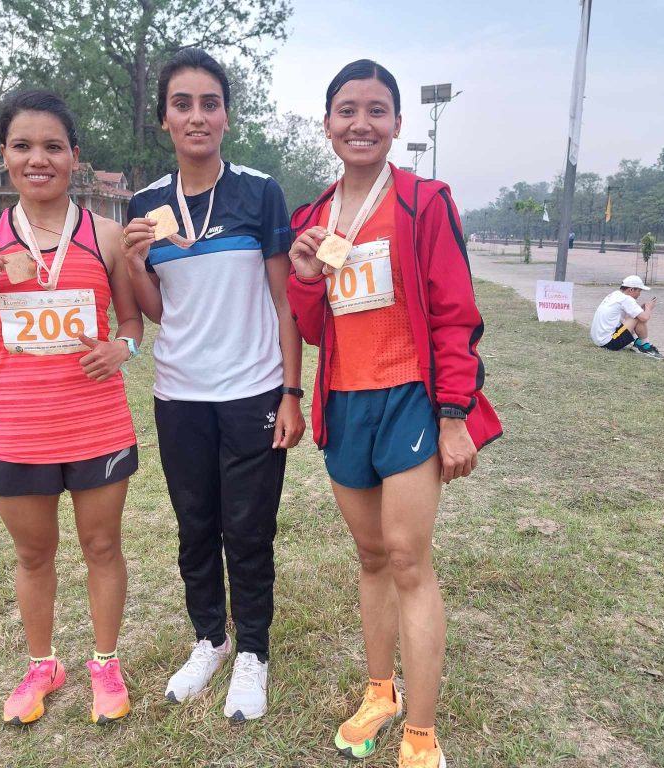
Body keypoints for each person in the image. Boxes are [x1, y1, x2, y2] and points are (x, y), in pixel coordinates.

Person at [286, 60, 502, 768]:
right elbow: (313, 327)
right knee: (371, 556)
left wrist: (453, 415)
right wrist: (305, 277)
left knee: (408, 558)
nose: (361, 123)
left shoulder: (423, 201)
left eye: (377, 110)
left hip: (410, 397)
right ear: (327, 124)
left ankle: (422, 732)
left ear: (398, 124)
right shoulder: (311, 219)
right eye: (347, 110)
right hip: (344, 403)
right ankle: (381, 693)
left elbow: (455, 314)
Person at [121, 48, 305, 722]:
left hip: (253, 390)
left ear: (226, 116)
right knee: (195, 525)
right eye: (182, 104)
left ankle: (252, 649)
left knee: (248, 529)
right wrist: (134, 262)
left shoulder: (259, 192)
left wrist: (292, 393)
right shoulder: (146, 205)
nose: (197, 116)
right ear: (164, 119)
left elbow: (285, 301)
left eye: (210, 103)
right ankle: (211, 639)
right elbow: (159, 310)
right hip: (180, 395)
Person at [0, 90, 143, 727]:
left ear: (74, 157)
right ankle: (42, 666)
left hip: (96, 421)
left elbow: (132, 323)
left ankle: (105, 663)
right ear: (4, 156)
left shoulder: (105, 234)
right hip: (17, 425)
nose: (39, 159)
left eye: (53, 146)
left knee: (102, 546)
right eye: (23, 146)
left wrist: (122, 348)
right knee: (33, 555)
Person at [589, 275, 663, 358]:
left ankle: (637, 343)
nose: (639, 294)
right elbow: (644, 318)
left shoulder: (614, 294)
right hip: (609, 343)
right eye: (639, 291)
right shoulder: (626, 299)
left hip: (599, 339)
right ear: (631, 289)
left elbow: (627, 316)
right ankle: (646, 347)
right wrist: (648, 308)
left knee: (635, 315)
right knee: (637, 317)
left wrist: (641, 310)